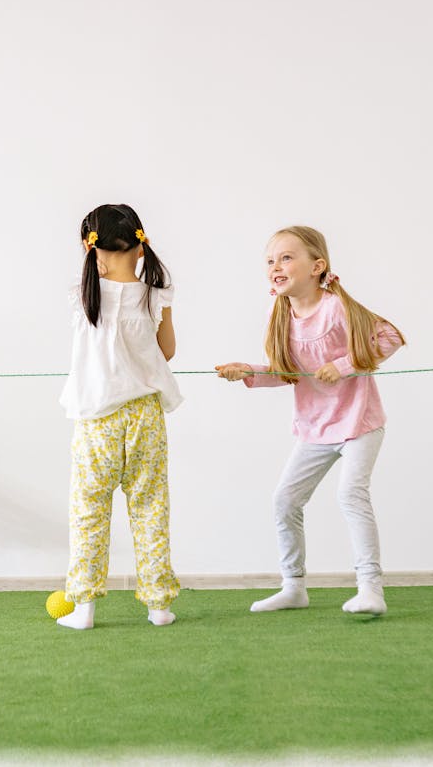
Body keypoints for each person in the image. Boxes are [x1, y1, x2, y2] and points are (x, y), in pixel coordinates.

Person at [217, 226, 404, 616]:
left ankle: (371, 589)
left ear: (318, 267)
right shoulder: (281, 314)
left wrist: (344, 365)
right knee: (285, 500)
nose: (276, 266)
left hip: (358, 424)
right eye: (270, 260)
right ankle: (294, 586)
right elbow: (288, 373)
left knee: (350, 495)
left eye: (286, 257)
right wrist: (247, 370)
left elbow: (390, 337)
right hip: (315, 429)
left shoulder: (336, 307)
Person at [56, 205, 182, 629]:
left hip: (98, 421)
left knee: (89, 510)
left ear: (92, 249)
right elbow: (166, 352)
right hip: (146, 416)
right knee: (150, 508)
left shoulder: (83, 295)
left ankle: (84, 609)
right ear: (139, 244)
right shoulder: (156, 292)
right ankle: (159, 607)